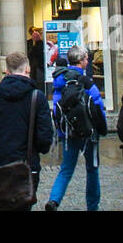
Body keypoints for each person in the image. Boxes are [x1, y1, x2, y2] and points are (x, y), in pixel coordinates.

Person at [0, 51, 54, 211]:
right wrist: (38, 149)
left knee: (3, 205)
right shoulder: (37, 96)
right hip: (28, 162)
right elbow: (45, 135)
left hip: (2, 161)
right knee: (25, 205)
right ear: (27, 69)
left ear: (7, 70)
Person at [46, 44, 107, 211]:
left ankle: (54, 200)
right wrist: (103, 128)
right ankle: (92, 207)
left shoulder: (60, 81)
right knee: (92, 170)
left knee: (66, 169)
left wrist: (60, 130)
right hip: (89, 133)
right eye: (87, 58)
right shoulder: (86, 81)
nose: (88, 61)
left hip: (69, 133)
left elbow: (57, 107)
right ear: (81, 61)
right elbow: (97, 105)